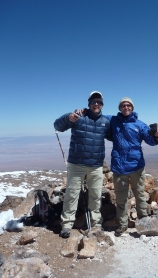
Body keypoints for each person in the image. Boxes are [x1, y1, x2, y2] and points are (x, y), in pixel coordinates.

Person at [54, 91, 111, 238]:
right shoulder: (77, 117)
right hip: (76, 164)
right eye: (93, 102)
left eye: (98, 102)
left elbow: (116, 135)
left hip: (96, 165)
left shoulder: (106, 121)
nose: (96, 104)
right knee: (72, 194)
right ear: (89, 104)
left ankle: (96, 223)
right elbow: (57, 126)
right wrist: (68, 117)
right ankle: (66, 225)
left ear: (102, 104)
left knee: (96, 195)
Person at [108, 97, 158, 237]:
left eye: (128, 105)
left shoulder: (140, 124)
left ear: (132, 107)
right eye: (123, 105)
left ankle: (143, 220)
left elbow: (149, 140)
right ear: (120, 108)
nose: (126, 107)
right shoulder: (113, 121)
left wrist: (156, 137)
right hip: (119, 167)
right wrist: (84, 112)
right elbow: (98, 117)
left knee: (139, 195)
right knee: (121, 199)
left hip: (136, 166)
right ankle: (122, 224)